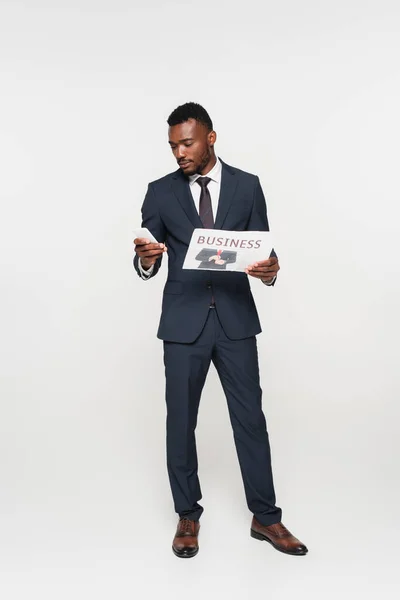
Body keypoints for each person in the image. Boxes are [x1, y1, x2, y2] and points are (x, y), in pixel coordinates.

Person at [133, 102, 308, 559]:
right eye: (173, 145)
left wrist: (270, 270)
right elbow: (146, 247)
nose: (179, 153)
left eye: (187, 142)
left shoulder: (248, 187)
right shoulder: (159, 191)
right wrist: (145, 259)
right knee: (180, 421)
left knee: (250, 419)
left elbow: (262, 250)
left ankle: (266, 518)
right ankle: (187, 513)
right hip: (183, 322)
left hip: (234, 320)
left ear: (211, 137)